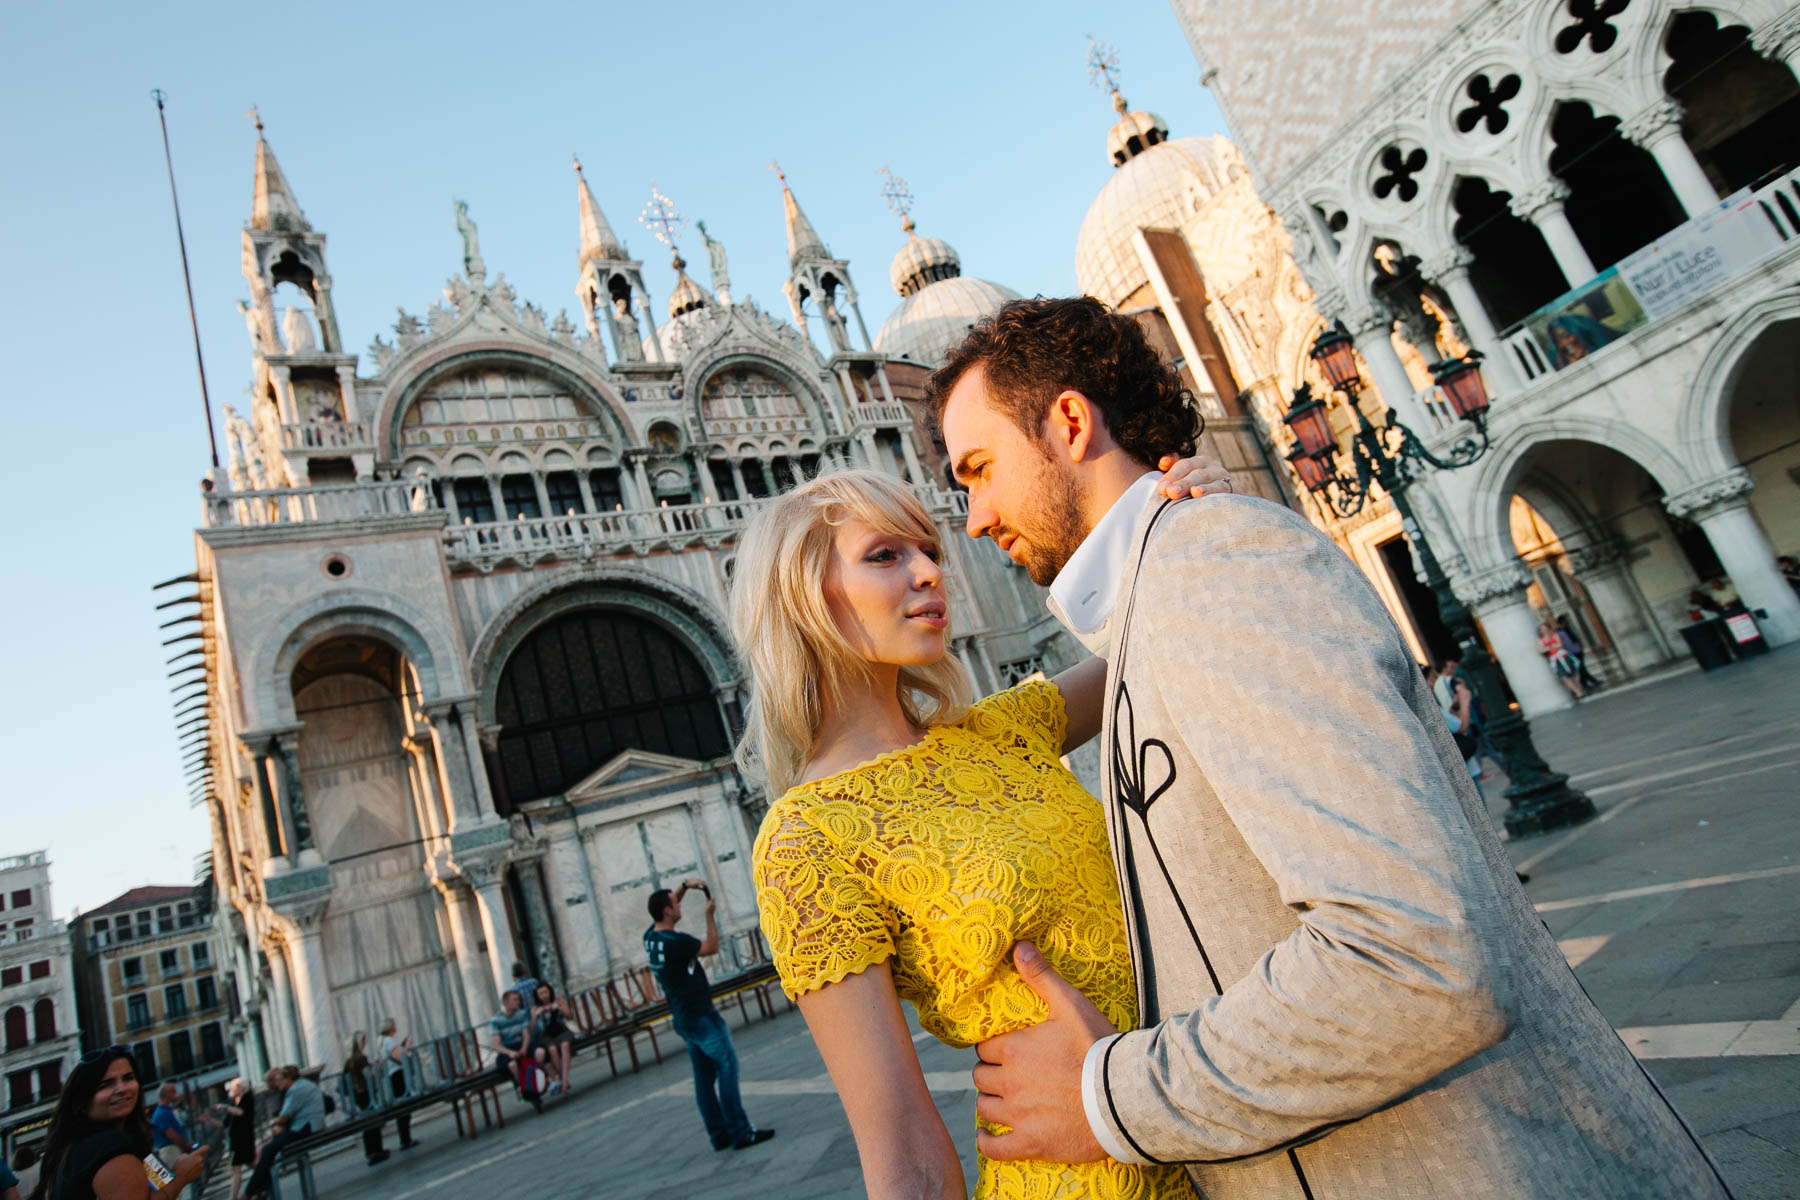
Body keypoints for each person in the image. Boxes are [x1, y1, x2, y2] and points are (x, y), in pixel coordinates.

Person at [928, 296, 1729, 1197]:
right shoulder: (1160, 595)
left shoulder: (1215, 566)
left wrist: (1110, 1098)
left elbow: (1414, 958)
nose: (972, 519)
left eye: (981, 468)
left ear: (1070, 423)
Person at [741, 458, 1226, 1194]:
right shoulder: (805, 839)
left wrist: (1194, 518)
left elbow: (1154, 636)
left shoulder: (1006, 730)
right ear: (805, 596)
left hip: (1207, 1121)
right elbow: (901, 1141)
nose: (932, 571)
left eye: (930, 550)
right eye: (885, 555)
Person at [645, 881, 774, 1153]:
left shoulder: (652, 938)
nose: (680, 905)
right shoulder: (678, 943)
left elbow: (665, 906)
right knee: (727, 1067)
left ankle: (718, 1134)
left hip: (683, 1018)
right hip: (701, 1015)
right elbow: (712, 947)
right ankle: (740, 1131)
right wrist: (709, 915)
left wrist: (683, 888)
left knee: (703, 1078)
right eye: (676, 903)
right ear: (668, 911)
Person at [30, 1046, 204, 1200]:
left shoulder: (79, 1147)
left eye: (128, 1078)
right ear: (82, 1102)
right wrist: (182, 1177)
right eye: (105, 1085)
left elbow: (160, 1182)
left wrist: (174, 1175)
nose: (122, 1089)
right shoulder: (108, 1147)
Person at [241, 1066, 322, 1200]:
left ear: (288, 1079)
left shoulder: (295, 1090)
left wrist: (275, 1124)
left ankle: (249, 1193)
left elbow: (284, 1116)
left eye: (280, 1080)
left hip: (306, 1128)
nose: (278, 1083)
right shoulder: (300, 1086)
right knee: (268, 1152)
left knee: (268, 1151)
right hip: (306, 1126)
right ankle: (257, 1191)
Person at [487, 990, 543, 1113]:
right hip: (507, 1049)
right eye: (515, 1000)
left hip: (521, 1044)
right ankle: (521, 1087)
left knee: (540, 1052)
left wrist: (524, 1048)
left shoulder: (521, 1014)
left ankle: (538, 1077)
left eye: (518, 999)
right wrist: (510, 1053)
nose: (518, 1002)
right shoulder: (496, 1021)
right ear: (506, 1003)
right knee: (512, 1064)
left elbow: (526, 1035)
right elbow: (496, 1045)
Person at [343, 1033, 388, 1165]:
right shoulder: (360, 1058)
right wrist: (377, 1067)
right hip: (366, 1091)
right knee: (373, 1120)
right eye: (363, 1041)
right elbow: (368, 1074)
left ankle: (370, 1151)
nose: (364, 1043)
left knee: (366, 1122)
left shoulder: (349, 1060)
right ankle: (377, 1150)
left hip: (357, 1094)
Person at [374, 1018, 417, 1150]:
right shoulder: (389, 1041)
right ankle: (406, 1139)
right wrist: (407, 1047)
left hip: (392, 1075)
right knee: (404, 1106)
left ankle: (405, 1139)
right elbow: (399, 1057)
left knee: (401, 1106)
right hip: (397, 1074)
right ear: (391, 1027)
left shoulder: (383, 1042)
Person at [530, 983, 576, 1095]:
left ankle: (564, 1081)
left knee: (565, 1045)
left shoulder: (558, 1000)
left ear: (550, 991)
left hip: (561, 1030)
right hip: (547, 1034)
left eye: (545, 992)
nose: (544, 996)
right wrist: (536, 1015)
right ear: (537, 996)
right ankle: (562, 1078)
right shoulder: (535, 1007)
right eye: (540, 994)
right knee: (552, 1050)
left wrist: (559, 1009)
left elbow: (569, 1016)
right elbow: (532, 1029)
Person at [218, 1078, 254, 1200]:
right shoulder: (235, 1103)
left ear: (241, 1089)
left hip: (243, 1140)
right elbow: (224, 1124)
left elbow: (240, 1113)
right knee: (248, 1164)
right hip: (237, 1141)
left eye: (233, 1088)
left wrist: (224, 1107)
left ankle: (233, 1197)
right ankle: (263, 1181)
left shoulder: (247, 1100)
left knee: (236, 1169)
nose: (231, 1090)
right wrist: (209, 1120)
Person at [1541, 617, 1586, 700]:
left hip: (1564, 656)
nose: (1544, 631)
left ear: (1548, 628)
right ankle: (1577, 692)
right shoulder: (1541, 640)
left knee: (1572, 674)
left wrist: (1548, 648)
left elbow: (1559, 645)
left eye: (1545, 628)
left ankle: (1579, 689)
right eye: (1542, 629)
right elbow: (1541, 650)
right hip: (1555, 660)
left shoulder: (1555, 635)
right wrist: (1552, 647)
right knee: (1563, 677)